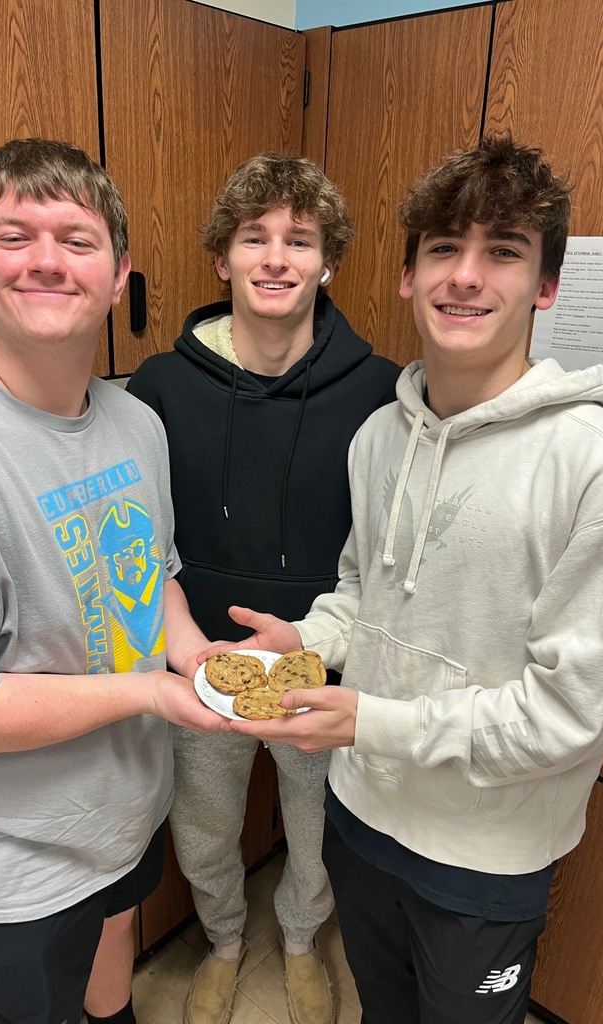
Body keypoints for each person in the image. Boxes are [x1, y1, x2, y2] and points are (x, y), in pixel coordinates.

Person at [201, 135, 603, 1024]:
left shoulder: (602, 468)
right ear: (408, 275)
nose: (466, 277)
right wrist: (307, 638)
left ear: (546, 286)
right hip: (361, 811)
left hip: (483, 854)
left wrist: (372, 721)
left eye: (503, 251)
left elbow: (573, 715)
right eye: (444, 248)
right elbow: (361, 592)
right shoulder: (380, 438)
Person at [0, 138, 229, 1024]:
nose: (45, 260)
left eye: (77, 239)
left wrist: (194, 656)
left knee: (113, 982)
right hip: (7, 867)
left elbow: (152, 578)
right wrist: (149, 692)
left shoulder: (137, 425)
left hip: (123, 813)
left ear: (118, 275)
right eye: (14, 236)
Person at [126, 152, 400, 1024]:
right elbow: (144, 542)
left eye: (300, 239)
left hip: (319, 662)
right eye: (254, 237)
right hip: (199, 660)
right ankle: (223, 943)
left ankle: (299, 942)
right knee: (204, 828)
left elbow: (381, 553)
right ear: (223, 258)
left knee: (317, 833)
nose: (276, 258)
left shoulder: (383, 392)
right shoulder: (160, 387)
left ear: (329, 262)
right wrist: (182, 650)